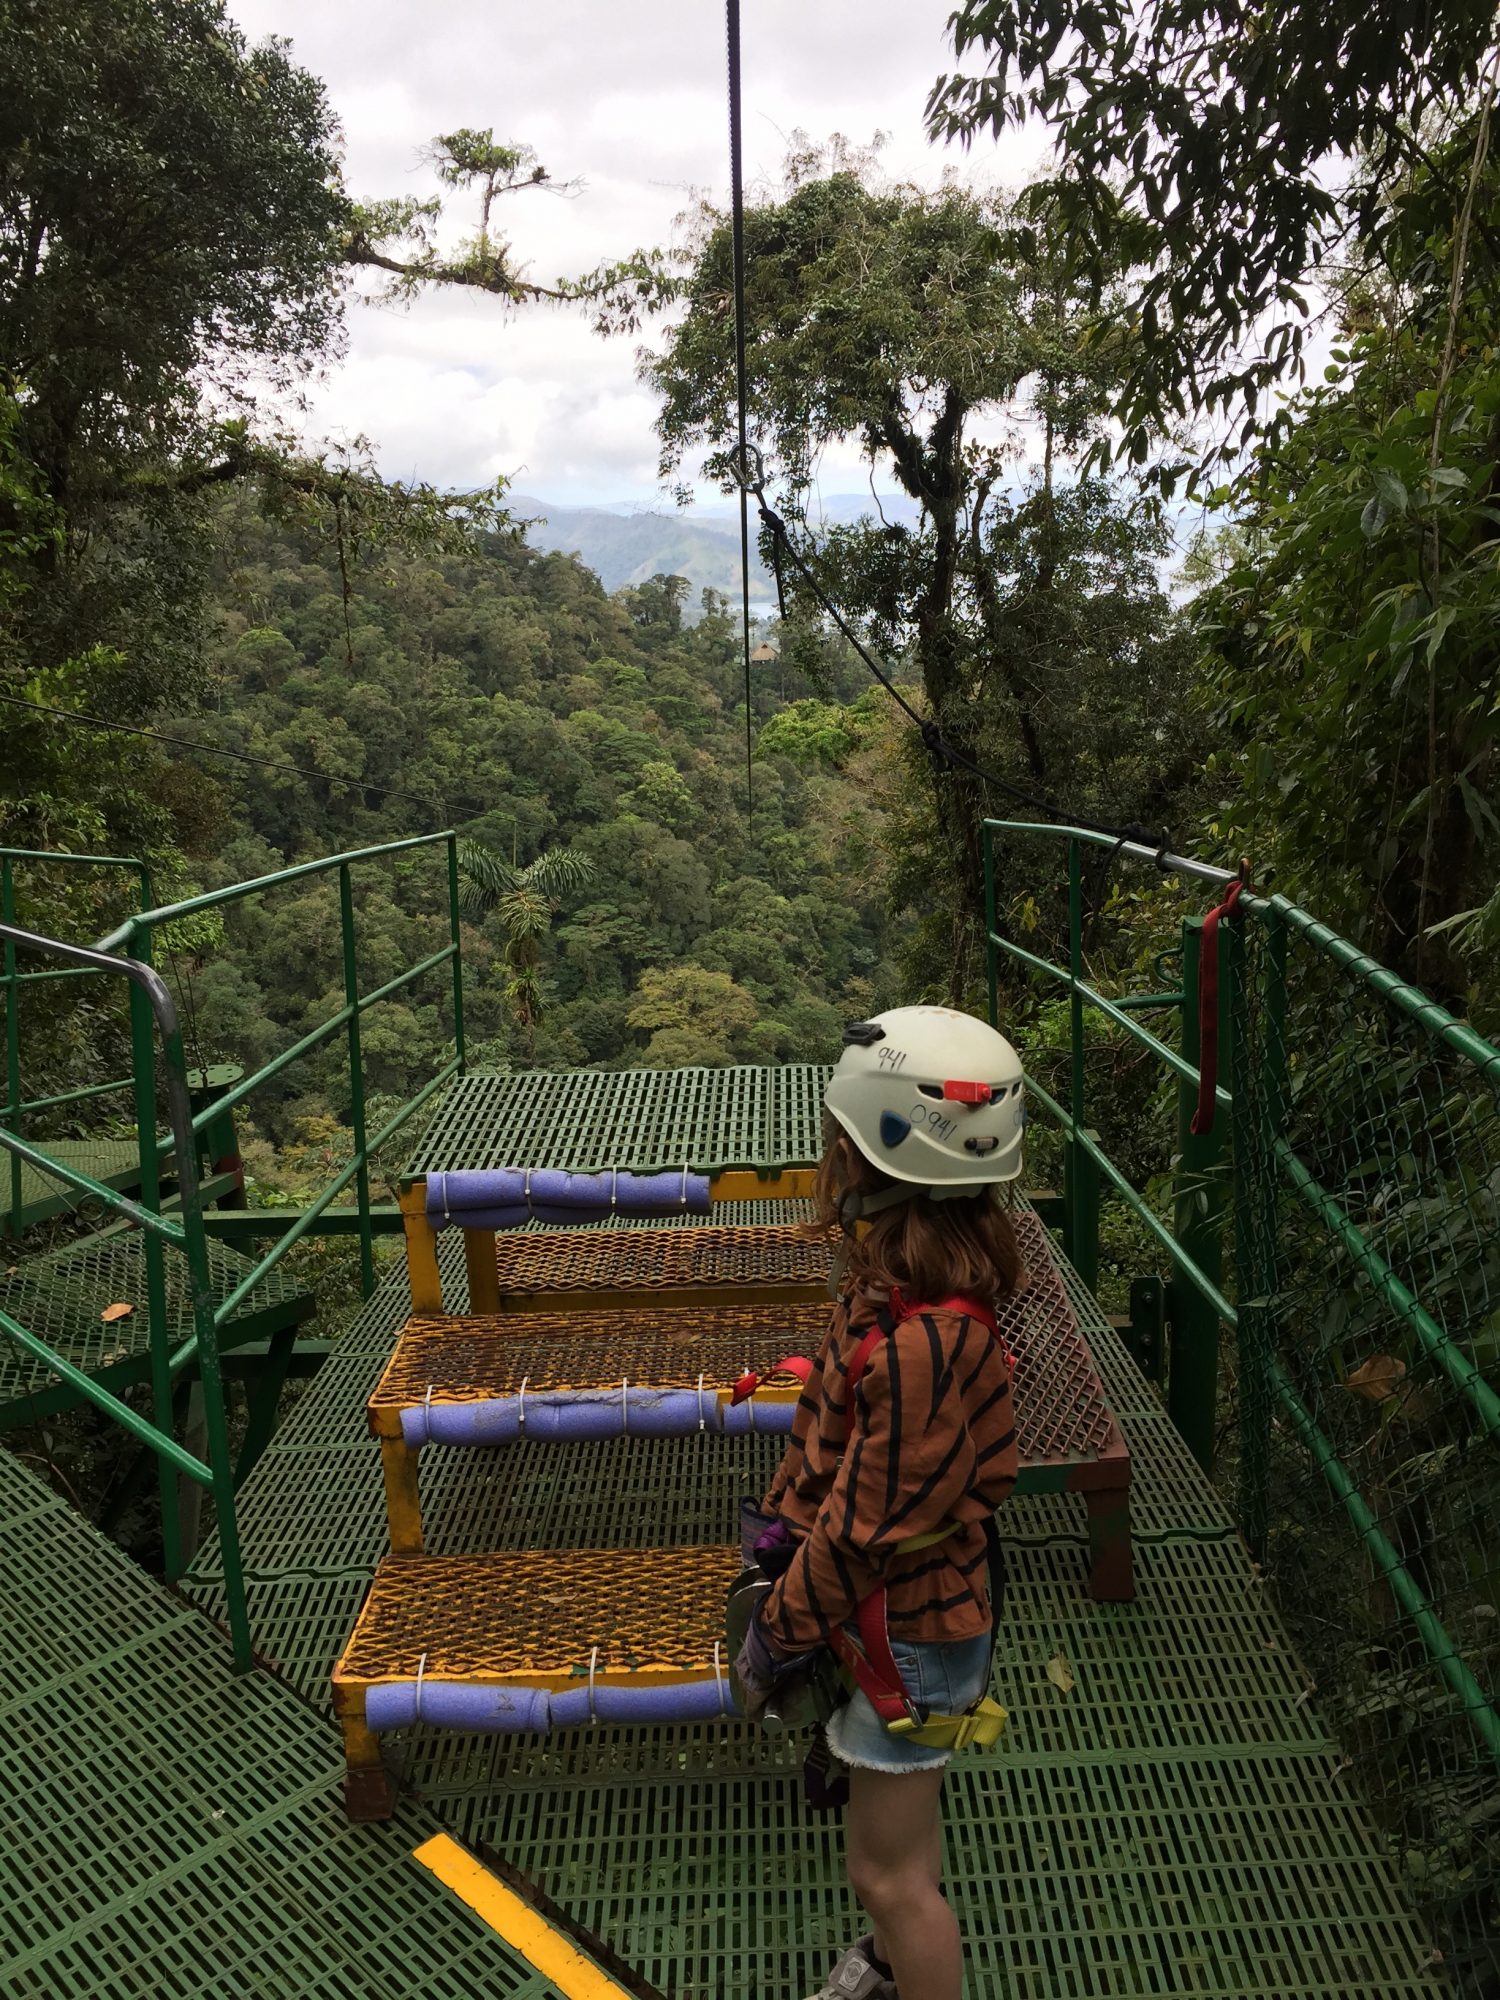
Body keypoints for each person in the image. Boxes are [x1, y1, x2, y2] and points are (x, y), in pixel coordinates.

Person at [734, 1005, 1026, 2000]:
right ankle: (890, 1963)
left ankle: (907, 1956)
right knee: (900, 1837)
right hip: (909, 1621)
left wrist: (777, 1632)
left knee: (887, 1870)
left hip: (908, 1630)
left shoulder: (923, 1347)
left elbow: (867, 1527)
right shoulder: (909, 1296)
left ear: (865, 1158)